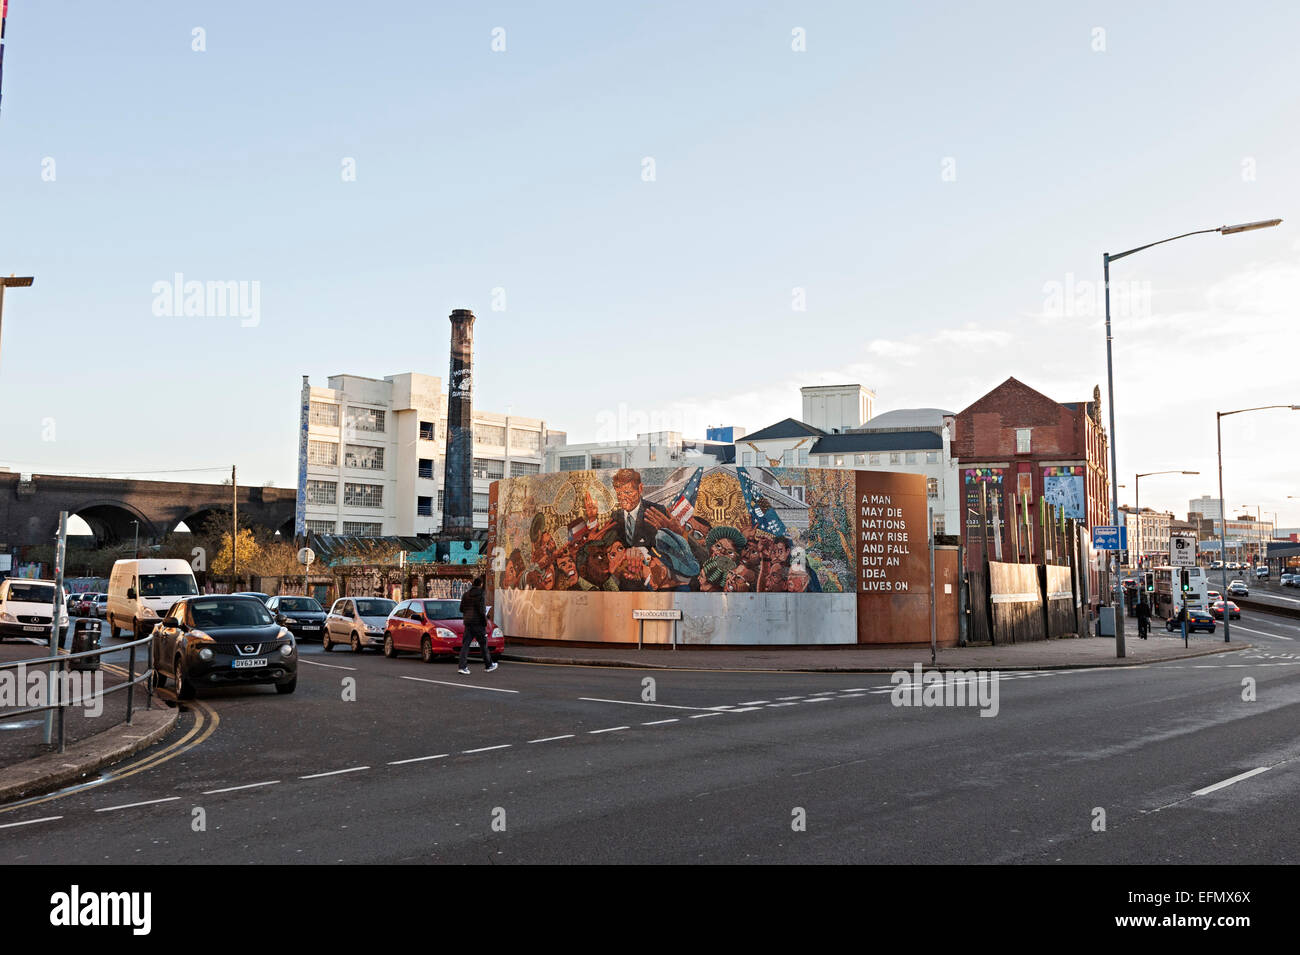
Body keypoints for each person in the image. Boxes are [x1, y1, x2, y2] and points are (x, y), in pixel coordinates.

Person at [457, 576, 496, 674]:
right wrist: (485, 622)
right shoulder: (481, 595)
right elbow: (481, 611)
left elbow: (461, 609)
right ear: (481, 584)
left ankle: (462, 667)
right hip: (478, 624)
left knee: (465, 646)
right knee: (483, 645)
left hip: (468, 623)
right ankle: (489, 665)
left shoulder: (466, 595)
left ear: (473, 584)